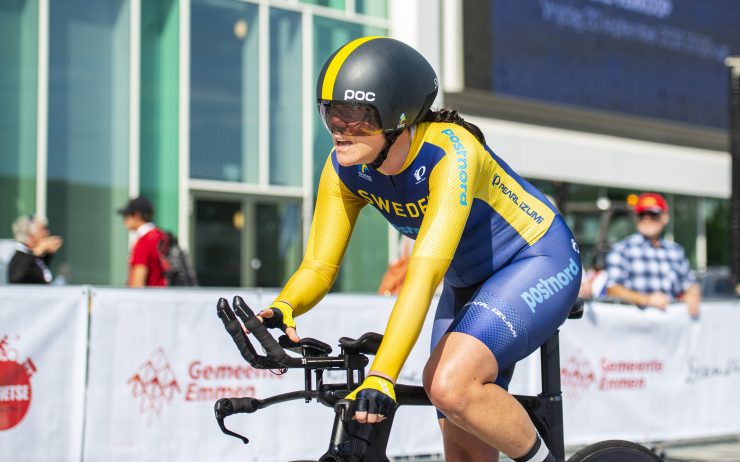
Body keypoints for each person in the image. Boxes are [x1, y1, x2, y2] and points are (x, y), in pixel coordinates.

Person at [254, 37, 581, 462]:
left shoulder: (451, 152)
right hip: (467, 282)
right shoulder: (343, 168)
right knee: (459, 436)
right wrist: (284, 306)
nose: (339, 128)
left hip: (538, 259)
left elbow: (423, 277)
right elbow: (318, 266)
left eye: (356, 116)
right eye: (331, 112)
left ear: (398, 116)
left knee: (448, 386)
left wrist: (382, 376)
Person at [605, 192, 701, 317]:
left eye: (653, 214)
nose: (647, 218)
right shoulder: (621, 249)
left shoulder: (676, 251)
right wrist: (646, 299)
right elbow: (612, 289)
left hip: (671, 325)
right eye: (642, 214)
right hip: (635, 324)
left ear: (665, 217)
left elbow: (690, 283)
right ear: (636, 218)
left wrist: (693, 294)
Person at [118, 196, 167, 287]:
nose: (124, 220)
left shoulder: (144, 242)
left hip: (151, 295)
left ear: (137, 216)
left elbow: (138, 284)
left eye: (126, 216)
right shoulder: (162, 236)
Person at [7, 214, 63, 284]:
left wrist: (47, 254)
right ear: (30, 235)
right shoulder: (20, 257)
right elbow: (16, 278)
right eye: (42, 229)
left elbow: (41, 274)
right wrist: (38, 251)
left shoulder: (33, 257)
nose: (47, 233)